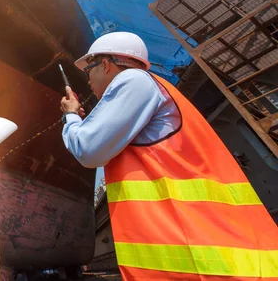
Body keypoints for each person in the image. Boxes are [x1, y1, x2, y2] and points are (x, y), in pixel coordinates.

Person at [60, 32, 278, 280]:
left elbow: (88, 150)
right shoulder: (154, 89)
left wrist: (71, 116)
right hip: (207, 249)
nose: (87, 80)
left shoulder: (133, 80)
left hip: (204, 253)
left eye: (87, 71)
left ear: (106, 64)